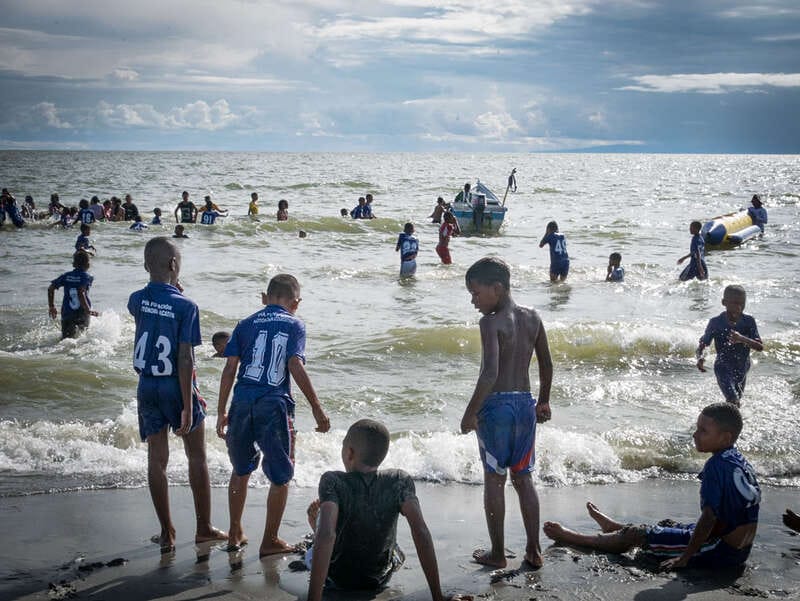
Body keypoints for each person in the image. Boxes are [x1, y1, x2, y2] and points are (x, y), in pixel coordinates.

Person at [544, 403, 760, 570]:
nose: (695, 434)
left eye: (703, 430)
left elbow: (709, 518)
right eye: (696, 428)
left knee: (638, 536)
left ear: (725, 437)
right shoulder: (738, 460)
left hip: (720, 551)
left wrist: (685, 557)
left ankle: (573, 537)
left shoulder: (716, 466)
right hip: (739, 549)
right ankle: (615, 527)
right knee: (667, 524)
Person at [216, 274, 330, 556]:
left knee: (240, 470)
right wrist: (316, 407)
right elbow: (294, 364)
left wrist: (221, 411)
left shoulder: (245, 324)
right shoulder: (295, 324)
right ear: (296, 303)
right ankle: (269, 540)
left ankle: (234, 532)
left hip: (241, 403)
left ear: (264, 298)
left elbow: (230, 368)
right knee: (280, 476)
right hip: (273, 405)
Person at [127, 237, 227, 552]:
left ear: (146, 265)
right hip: (175, 384)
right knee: (196, 455)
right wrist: (186, 404)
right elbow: (185, 358)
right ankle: (203, 528)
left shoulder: (135, 300)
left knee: (157, 460)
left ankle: (167, 532)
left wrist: (168, 287)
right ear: (174, 265)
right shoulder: (187, 307)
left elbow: (152, 317)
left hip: (147, 385)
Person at [460, 257, 553, 569]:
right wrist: (543, 401)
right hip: (525, 405)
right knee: (524, 479)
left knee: (495, 480)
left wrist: (470, 413)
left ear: (496, 289)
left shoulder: (491, 322)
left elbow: (489, 374)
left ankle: (498, 554)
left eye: (475, 293)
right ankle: (534, 550)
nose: (473, 300)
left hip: (496, 409)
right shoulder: (533, 317)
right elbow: (547, 364)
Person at [306, 419, 463, 601]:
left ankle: (315, 525)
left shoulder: (332, 481)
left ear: (349, 453)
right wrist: (437, 596)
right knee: (396, 549)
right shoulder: (400, 480)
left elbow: (327, 535)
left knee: (314, 546)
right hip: (379, 578)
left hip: (337, 579)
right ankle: (317, 526)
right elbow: (420, 531)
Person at [696, 285, 763, 405]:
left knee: (735, 402)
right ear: (724, 302)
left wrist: (741, 339)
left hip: (742, 367)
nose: (739, 307)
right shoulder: (716, 322)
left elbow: (759, 347)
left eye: (742, 303)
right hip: (723, 367)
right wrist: (700, 358)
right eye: (735, 303)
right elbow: (702, 344)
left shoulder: (748, 321)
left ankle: (722, 421)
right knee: (733, 400)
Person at [48, 250, 98, 339]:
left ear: (73, 264)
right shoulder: (87, 277)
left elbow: (50, 288)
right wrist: (88, 310)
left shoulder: (66, 276)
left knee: (65, 340)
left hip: (67, 313)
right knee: (82, 339)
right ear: (88, 265)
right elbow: (81, 292)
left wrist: (51, 306)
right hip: (82, 313)